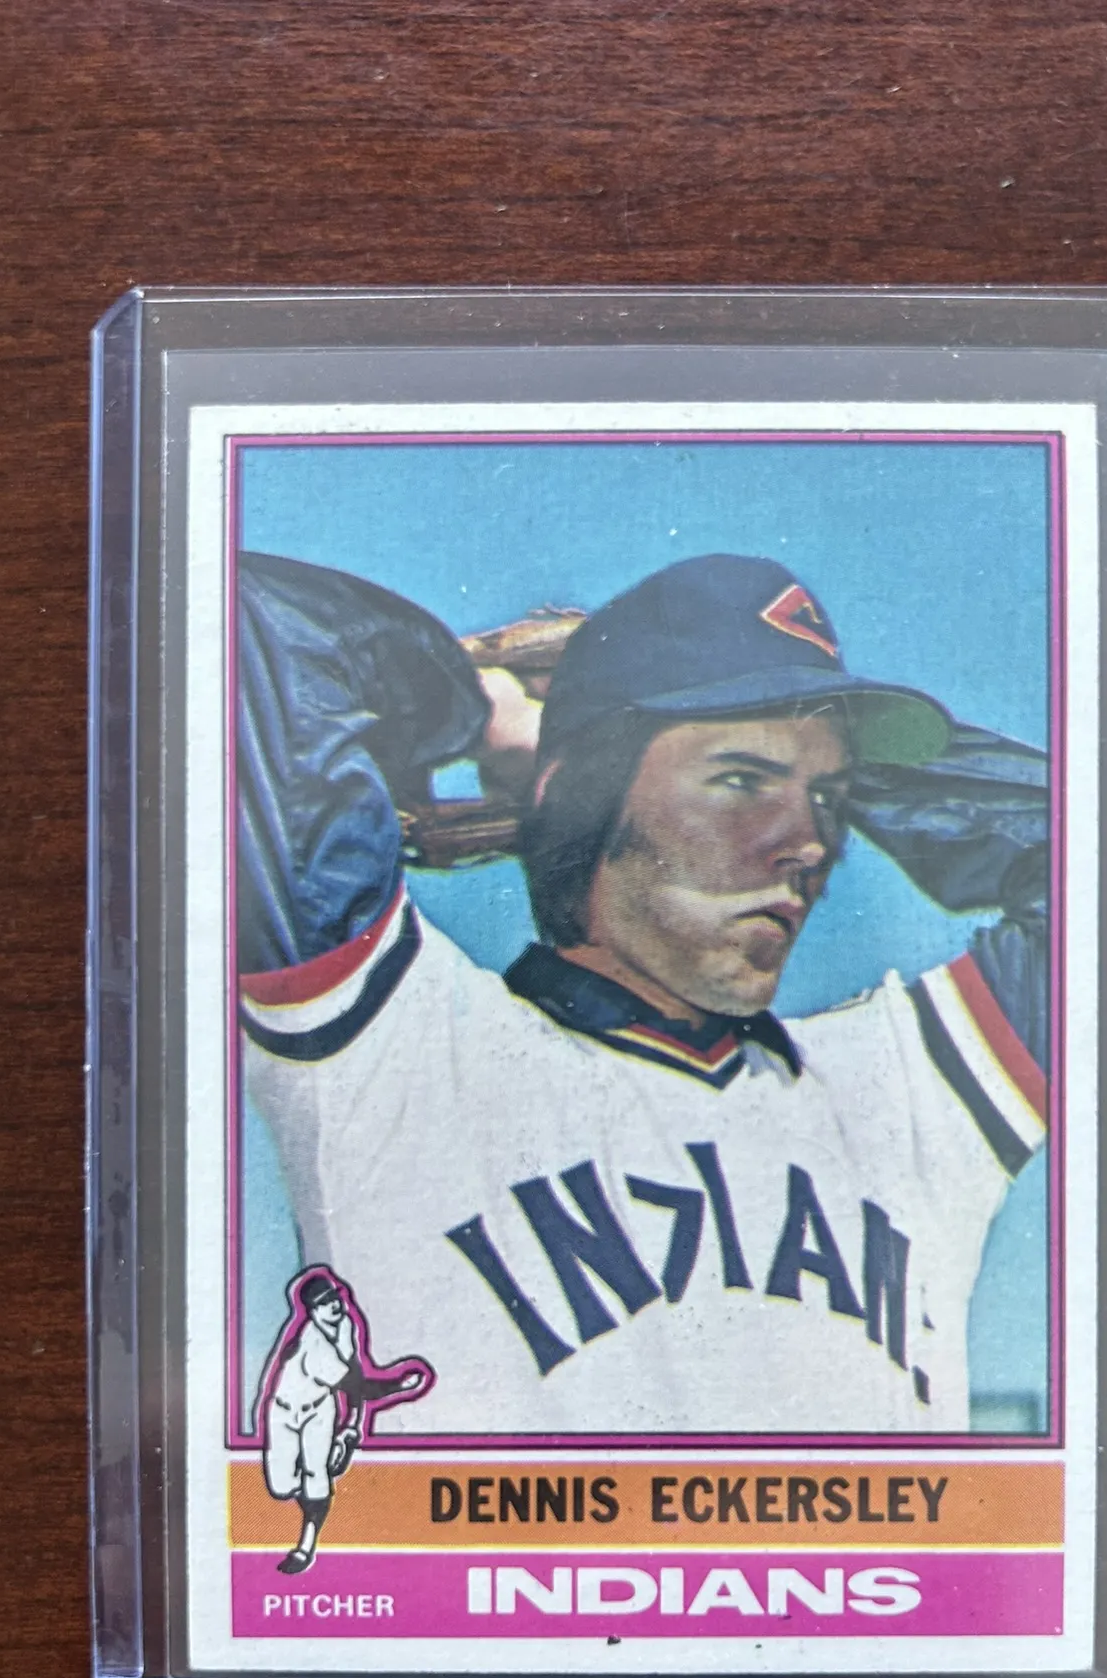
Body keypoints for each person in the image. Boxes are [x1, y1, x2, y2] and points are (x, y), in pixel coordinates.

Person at [236, 551, 1049, 1436]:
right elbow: (225, 624)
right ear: (582, 792)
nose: (810, 841)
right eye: (741, 781)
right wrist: (475, 705)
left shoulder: (910, 1090)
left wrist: (841, 749)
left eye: (828, 797)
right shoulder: (397, 1046)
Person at [259, 1268, 434, 1572]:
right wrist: (399, 1386)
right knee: (281, 1487)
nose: (334, 1305)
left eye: (334, 1297)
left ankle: (306, 1545)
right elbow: (359, 1387)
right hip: (284, 1412)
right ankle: (330, 1465)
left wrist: (354, 1421)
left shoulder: (345, 1325)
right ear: (312, 1312)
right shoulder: (314, 1347)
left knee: (316, 1478)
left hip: (319, 1410)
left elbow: (354, 1372)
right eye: (324, 1303)